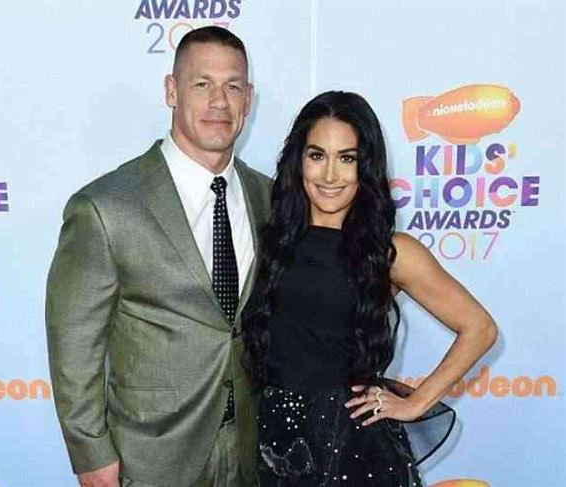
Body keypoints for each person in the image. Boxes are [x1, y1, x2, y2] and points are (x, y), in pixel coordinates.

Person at [46, 26, 271, 487]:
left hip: (252, 451)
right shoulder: (105, 208)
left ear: (248, 99)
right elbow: (74, 343)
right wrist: (90, 454)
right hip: (149, 457)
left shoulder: (269, 198)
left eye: (232, 87)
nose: (219, 102)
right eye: (202, 84)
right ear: (171, 91)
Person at [242, 91, 497, 486]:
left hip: (355, 451)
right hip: (277, 445)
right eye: (317, 155)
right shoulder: (272, 240)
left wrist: (415, 403)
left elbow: (480, 328)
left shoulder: (390, 252)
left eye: (347, 158)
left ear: (366, 167)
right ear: (298, 160)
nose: (330, 175)